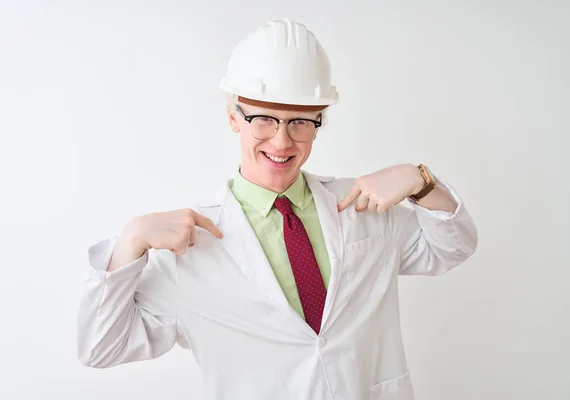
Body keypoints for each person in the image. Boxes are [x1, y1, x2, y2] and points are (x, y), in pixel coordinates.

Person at [77, 19, 477, 400]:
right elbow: (99, 348)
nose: (283, 141)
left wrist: (420, 181)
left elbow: (452, 248)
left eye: (301, 122)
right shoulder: (189, 246)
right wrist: (131, 240)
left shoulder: (362, 206)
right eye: (264, 119)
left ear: (319, 121)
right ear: (234, 118)